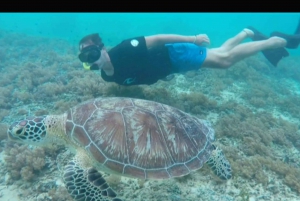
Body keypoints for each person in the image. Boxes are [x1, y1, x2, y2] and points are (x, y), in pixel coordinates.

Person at [78, 28, 287, 86]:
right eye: (85, 58)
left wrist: (193, 38)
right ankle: (246, 32)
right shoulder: (107, 77)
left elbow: (158, 38)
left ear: (103, 49)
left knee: (224, 61)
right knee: (219, 54)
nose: (91, 60)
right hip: (172, 66)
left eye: (93, 53)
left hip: (174, 54)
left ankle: (270, 42)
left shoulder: (125, 49)